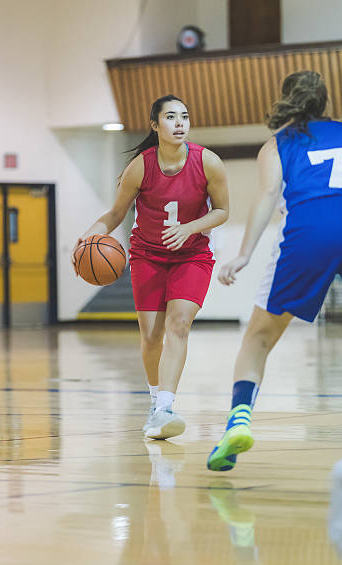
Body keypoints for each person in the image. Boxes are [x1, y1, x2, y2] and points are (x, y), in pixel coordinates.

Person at [207, 70, 342, 472]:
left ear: (286, 100)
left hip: (312, 230)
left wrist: (244, 253)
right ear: (326, 101)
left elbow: (268, 195)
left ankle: (238, 422)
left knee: (258, 339)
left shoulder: (277, 144)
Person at [72, 94, 229, 440]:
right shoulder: (141, 166)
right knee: (151, 336)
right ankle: (155, 400)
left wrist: (189, 227)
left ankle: (166, 407)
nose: (179, 123)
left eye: (184, 117)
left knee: (180, 324)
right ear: (155, 125)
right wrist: (87, 238)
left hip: (192, 254)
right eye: (171, 117)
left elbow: (222, 211)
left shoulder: (209, 162)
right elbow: (115, 214)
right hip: (148, 255)